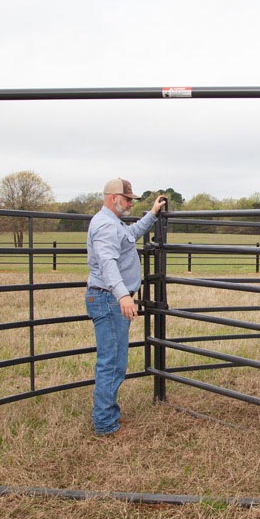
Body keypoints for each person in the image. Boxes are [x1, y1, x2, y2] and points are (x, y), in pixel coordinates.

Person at [85, 178, 167, 436]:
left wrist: (152, 215)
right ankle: (106, 424)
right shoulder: (106, 226)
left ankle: (107, 417)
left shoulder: (113, 223)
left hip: (108, 298)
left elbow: (130, 235)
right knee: (112, 362)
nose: (131, 203)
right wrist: (123, 296)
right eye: (128, 199)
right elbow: (107, 262)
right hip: (109, 299)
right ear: (113, 198)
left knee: (113, 359)